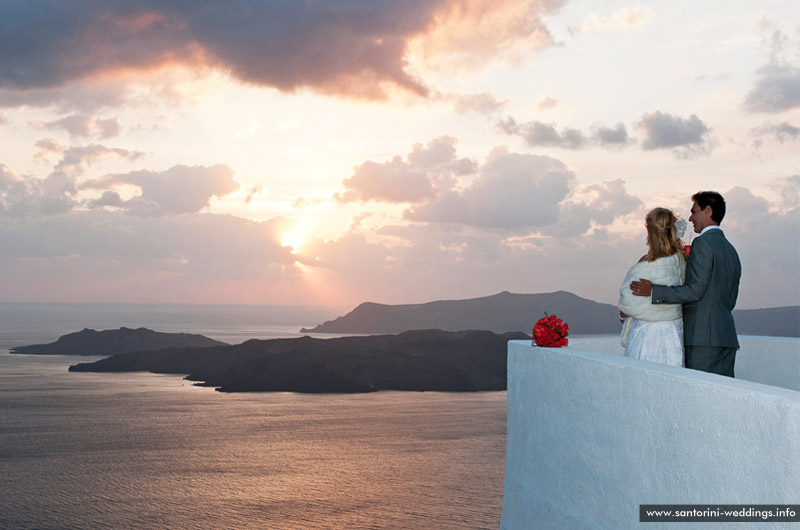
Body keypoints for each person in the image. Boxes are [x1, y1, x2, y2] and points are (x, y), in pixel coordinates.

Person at [631, 191, 741, 377]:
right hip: (727, 337)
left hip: (703, 339)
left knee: (701, 396)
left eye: (694, 211)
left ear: (707, 210)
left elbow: (695, 290)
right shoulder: (731, 250)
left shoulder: (702, 244)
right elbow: (730, 299)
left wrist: (654, 291)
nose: (690, 218)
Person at [618, 208, 686, 366]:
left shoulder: (645, 263)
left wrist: (624, 314)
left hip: (646, 333)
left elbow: (627, 304)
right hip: (672, 333)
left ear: (649, 231)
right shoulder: (680, 262)